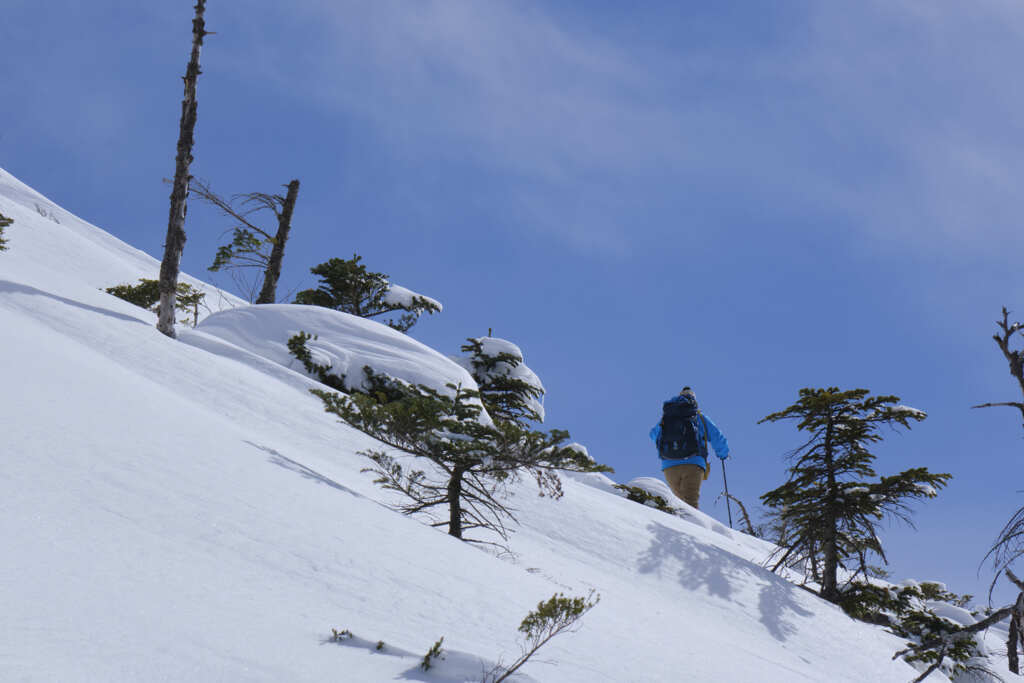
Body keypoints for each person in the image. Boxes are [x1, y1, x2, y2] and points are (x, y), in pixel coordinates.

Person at [649, 387, 729, 509]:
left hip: (669, 465)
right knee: (691, 504)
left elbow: (653, 434)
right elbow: (717, 437)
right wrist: (723, 454)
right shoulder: (699, 417)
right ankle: (692, 528)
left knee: (678, 504)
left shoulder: (667, 417)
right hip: (693, 464)